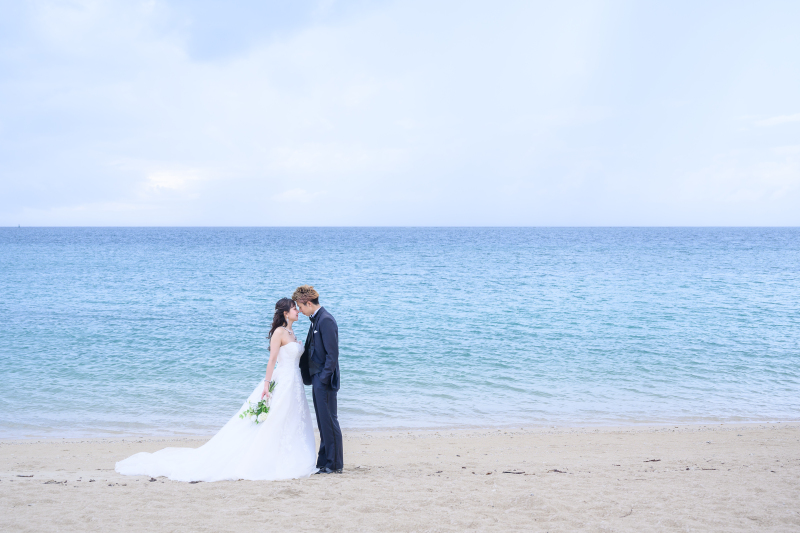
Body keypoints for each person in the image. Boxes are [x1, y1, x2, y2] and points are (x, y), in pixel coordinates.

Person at [114, 298, 317, 482]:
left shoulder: (291, 332)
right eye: (294, 309)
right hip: (282, 381)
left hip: (294, 382)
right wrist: (266, 384)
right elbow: (272, 360)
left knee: (290, 418)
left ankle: (288, 454)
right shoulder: (279, 333)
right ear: (285, 313)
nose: (298, 311)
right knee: (276, 418)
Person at [293, 285, 343, 474]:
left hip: (325, 380)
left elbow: (333, 354)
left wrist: (323, 378)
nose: (299, 310)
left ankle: (334, 464)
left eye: (300, 306)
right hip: (316, 378)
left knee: (329, 421)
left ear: (308, 302)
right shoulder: (316, 320)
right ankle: (324, 462)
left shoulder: (326, 320)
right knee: (323, 422)